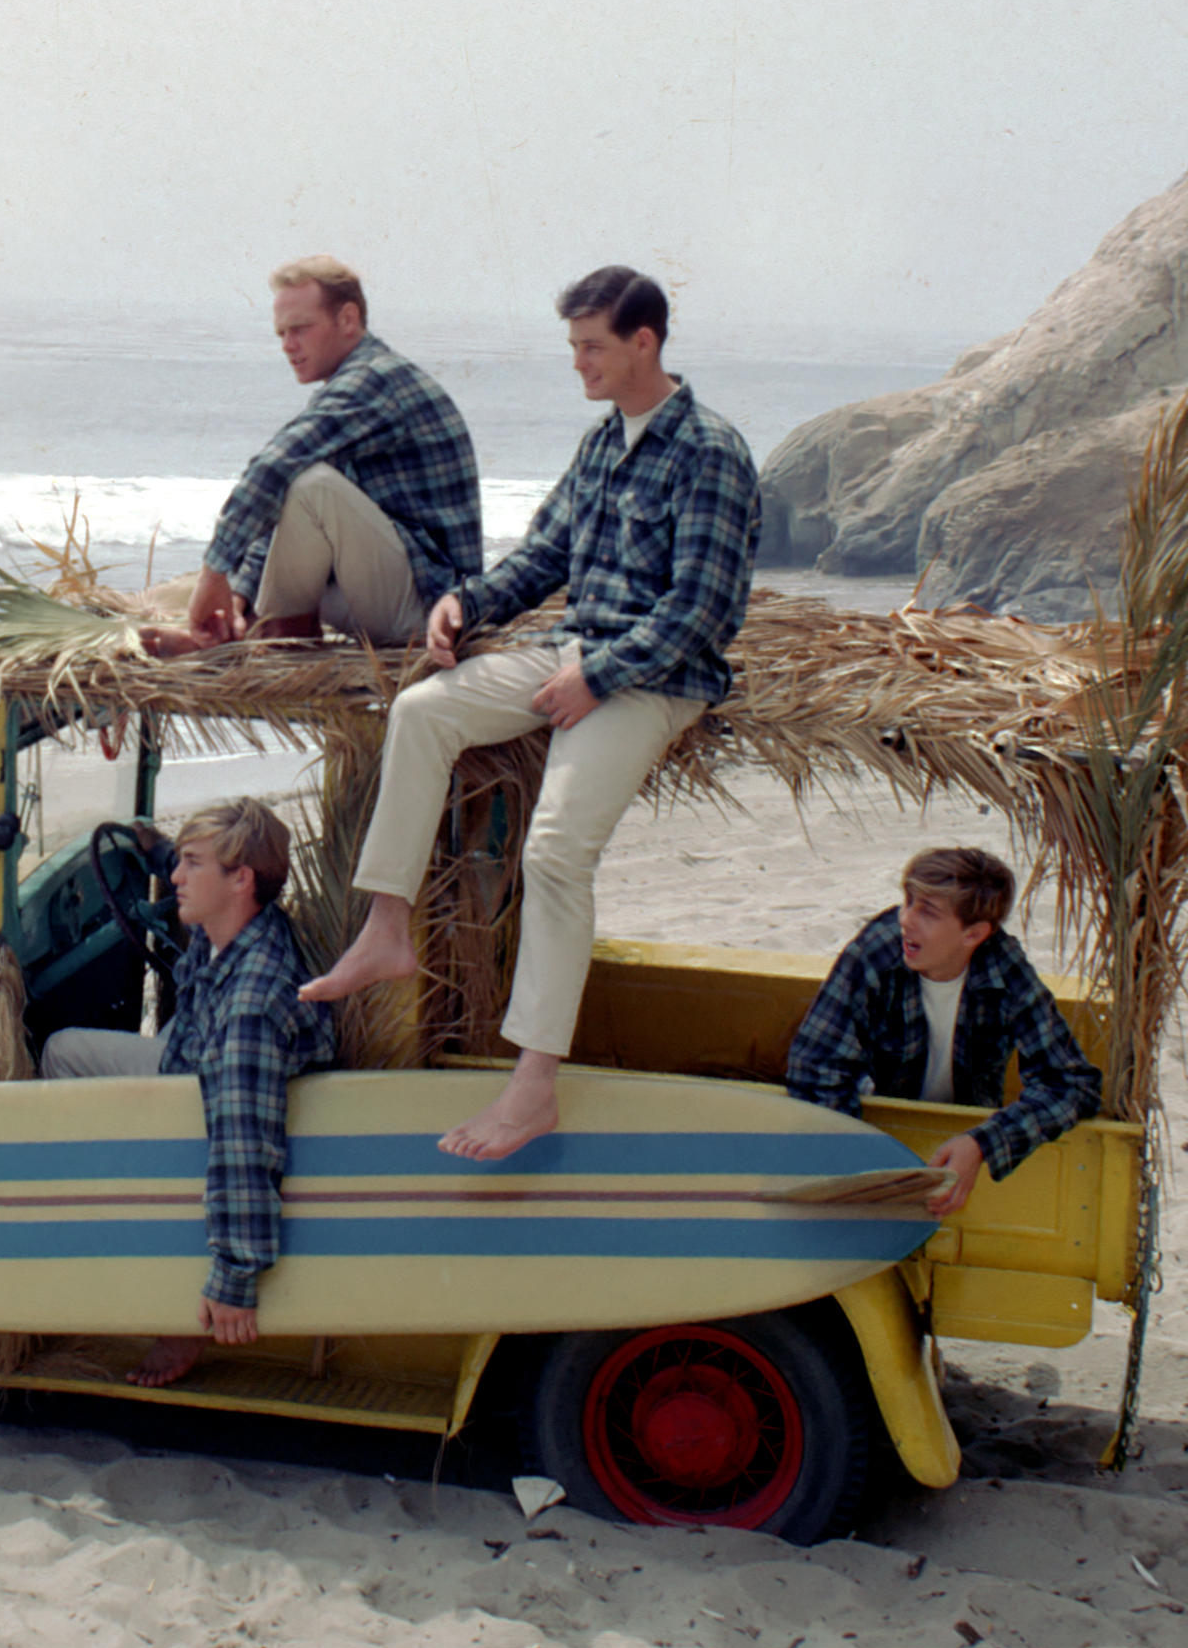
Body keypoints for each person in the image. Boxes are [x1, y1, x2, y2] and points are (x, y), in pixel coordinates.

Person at [301, 265, 759, 1162]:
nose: (579, 363)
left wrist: (601, 679)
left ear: (644, 342)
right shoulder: (601, 445)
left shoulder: (710, 450)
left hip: (656, 677)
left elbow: (703, 610)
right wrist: (464, 606)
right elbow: (544, 554)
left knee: (555, 850)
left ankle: (533, 1084)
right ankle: (386, 930)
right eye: (573, 346)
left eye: (593, 346)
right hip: (571, 649)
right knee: (424, 711)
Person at [41, 799, 338, 1387]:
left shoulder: (253, 1009)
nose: (175, 876)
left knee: (59, 1052)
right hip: (195, 1044)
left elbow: (244, 1146)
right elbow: (186, 874)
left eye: (190, 864)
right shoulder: (231, 923)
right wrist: (158, 848)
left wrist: (234, 1281)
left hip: (210, 1074)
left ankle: (100, 1236)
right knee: (66, 1049)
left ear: (241, 878)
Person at [143, 255, 482, 654]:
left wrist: (213, 572)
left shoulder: (375, 379)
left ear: (348, 320)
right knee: (300, 482)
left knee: (311, 486)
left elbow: (273, 468)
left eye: (300, 329)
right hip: (390, 596)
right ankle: (246, 631)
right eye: (281, 333)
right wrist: (237, 597)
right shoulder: (353, 384)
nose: (288, 345)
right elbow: (279, 502)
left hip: (435, 614)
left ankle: (271, 643)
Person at [784, 845, 1103, 1218]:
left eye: (929, 912)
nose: (906, 920)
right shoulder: (876, 952)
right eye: (908, 901)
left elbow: (1072, 1082)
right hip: (880, 1128)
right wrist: (855, 1166)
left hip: (964, 1137)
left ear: (974, 934)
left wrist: (984, 1142)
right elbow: (815, 1068)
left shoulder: (1004, 968)